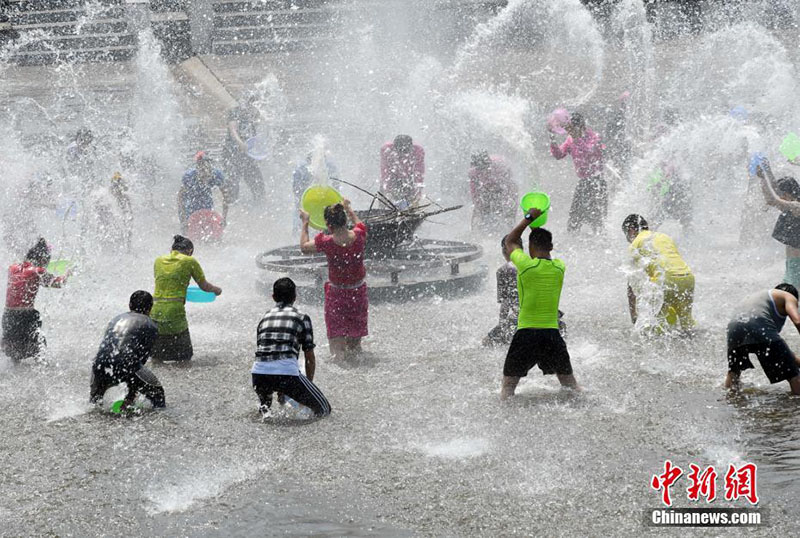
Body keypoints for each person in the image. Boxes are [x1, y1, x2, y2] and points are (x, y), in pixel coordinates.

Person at [500, 214, 578, 400]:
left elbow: (510, 241)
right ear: (551, 247)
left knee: (508, 389)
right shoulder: (559, 267)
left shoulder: (525, 266)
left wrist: (529, 218)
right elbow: (542, 246)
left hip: (526, 334)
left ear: (529, 248)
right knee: (571, 386)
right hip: (552, 335)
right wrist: (537, 228)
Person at [251, 277, 331, 418]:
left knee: (265, 413)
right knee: (324, 410)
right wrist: (307, 386)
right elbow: (309, 358)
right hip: (286, 374)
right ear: (295, 297)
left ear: (273, 297)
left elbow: (264, 352)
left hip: (259, 374)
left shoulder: (265, 318)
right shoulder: (301, 317)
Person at [299, 199, 368, 362]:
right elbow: (359, 224)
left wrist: (305, 222)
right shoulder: (359, 236)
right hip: (358, 294)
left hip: (336, 295)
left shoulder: (327, 242)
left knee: (337, 353)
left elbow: (304, 247)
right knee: (355, 349)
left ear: (328, 226)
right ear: (345, 221)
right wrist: (349, 208)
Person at [150, 235, 222, 363]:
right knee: (184, 358)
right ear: (189, 250)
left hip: (155, 312)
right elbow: (204, 286)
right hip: (175, 313)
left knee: (157, 358)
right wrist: (217, 290)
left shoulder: (158, 260)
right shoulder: (189, 261)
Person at [484, 235, 566, 347]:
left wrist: (501, 327)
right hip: (551, 318)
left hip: (522, 319)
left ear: (504, 250)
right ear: (522, 248)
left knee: (487, 342)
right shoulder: (536, 264)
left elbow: (505, 303)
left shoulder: (503, 271)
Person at [90, 291, 166, 411]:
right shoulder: (150, 325)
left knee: (94, 402)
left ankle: (93, 420)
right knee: (158, 394)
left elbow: (107, 348)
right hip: (126, 363)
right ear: (150, 308)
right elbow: (138, 364)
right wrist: (130, 397)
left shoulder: (116, 319)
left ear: (130, 305)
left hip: (99, 364)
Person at [623, 214, 695, 334]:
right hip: (688, 278)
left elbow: (632, 285)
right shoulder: (664, 236)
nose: (628, 239)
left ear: (631, 229)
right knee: (687, 327)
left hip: (665, 281)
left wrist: (634, 318)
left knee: (656, 331)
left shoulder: (635, 244)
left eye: (626, 235)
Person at [725, 283, 800, 395]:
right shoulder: (789, 297)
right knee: (793, 375)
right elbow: (798, 321)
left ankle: (730, 397)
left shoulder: (763, 300)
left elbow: (787, 356)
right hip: (757, 325)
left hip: (733, 328)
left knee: (734, 371)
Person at [1, 238, 67, 361]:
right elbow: (58, 283)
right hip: (25, 316)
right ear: (42, 259)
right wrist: (69, 274)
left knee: (14, 352)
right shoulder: (37, 271)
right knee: (39, 348)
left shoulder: (12, 268)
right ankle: (43, 371)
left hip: (8, 316)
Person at [549, 112, 606, 233]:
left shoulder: (595, 137)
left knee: (597, 220)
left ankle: (599, 245)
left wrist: (577, 139)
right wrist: (552, 137)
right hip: (584, 182)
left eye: (571, 128)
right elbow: (559, 155)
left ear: (581, 126)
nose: (568, 131)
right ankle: (575, 242)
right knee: (574, 219)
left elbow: (589, 152)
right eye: (567, 129)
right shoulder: (570, 139)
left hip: (597, 183)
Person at [754, 158, 800, 288]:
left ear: (788, 194)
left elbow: (774, 200)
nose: (780, 198)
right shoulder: (791, 207)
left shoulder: (797, 207)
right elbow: (771, 199)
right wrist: (765, 175)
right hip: (792, 263)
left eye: (782, 194)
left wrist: (766, 175)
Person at [221, 91, 265, 204]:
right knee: (233, 182)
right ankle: (231, 208)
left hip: (247, 155)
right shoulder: (235, 112)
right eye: (251, 103)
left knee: (257, 184)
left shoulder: (254, 114)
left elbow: (256, 135)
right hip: (232, 153)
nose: (252, 106)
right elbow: (233, 130)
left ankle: (259, 206)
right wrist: (240, 143)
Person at [178, 151, 229, 234]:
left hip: (206, 200)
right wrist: (183, 219)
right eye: (202, 171)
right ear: (197, 169)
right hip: (189, 200)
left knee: (208, 227)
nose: (204, 175)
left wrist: (224, 218)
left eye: (207, 173)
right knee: (187, 231)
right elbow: (180, 197)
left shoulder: (217, 176)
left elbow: (226, 197)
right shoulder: (189, 176)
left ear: (211, 169)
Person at [468, 151, 517, 233]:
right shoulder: (473, 173)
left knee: (501, 206)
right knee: (484, 208)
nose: (483, 170)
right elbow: (474, 190)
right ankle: (486, 226)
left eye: (485, 167)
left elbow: (509, 183)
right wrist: (477, 203)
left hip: (500, 185)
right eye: (480, 169)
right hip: (485, 187)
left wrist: (509, 197)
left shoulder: (500, 165)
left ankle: (502, 227)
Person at [292, 152, 339, 231]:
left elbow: (295, 189)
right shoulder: (301, 168)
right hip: (314, 202)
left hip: (314, 202)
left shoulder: (330, 166)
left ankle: (299, 234)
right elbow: (336, 186)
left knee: (300, 215)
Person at [380, 134, 425, 206]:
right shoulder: (387, 150)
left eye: (405, 152)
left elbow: (419, 171)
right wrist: (387, 190)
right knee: (386, 203)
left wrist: (418, 191)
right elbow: (385, 170)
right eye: (400, 152)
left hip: (410, 178)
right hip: (393, 176)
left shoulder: (418, 151)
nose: (403, 155)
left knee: (412, 204)